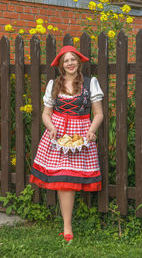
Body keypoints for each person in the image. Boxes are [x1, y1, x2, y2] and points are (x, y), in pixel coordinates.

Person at [29, 45, 104, 241]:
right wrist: (51, 128)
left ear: (79, 62)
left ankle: (68, 225)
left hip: (80, 136)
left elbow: (98, 114)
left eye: (73, 59)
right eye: (66, 60)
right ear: (61, 65)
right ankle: (67, 226)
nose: (70, 63)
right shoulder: (54, 84)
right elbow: (46, 113)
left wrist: (91, 131)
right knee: (64, 181)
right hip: (58, 136)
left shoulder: (90, 83)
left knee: (70, 181)